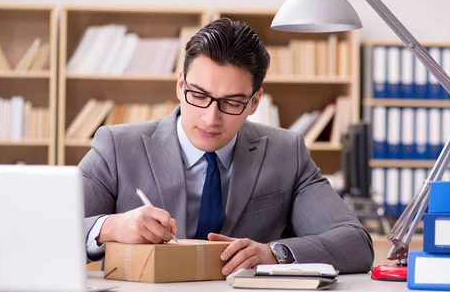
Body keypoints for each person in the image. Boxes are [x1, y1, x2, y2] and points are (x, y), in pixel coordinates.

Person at [81, 17, 374, 275]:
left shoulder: (286, 153)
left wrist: (274, 253)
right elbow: (41, 232)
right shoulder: (118, 147)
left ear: (254, 102)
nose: (211, 118)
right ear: (181, 85)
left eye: (232, 103)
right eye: (198, 95)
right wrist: (107, 228)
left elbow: (355, 243)